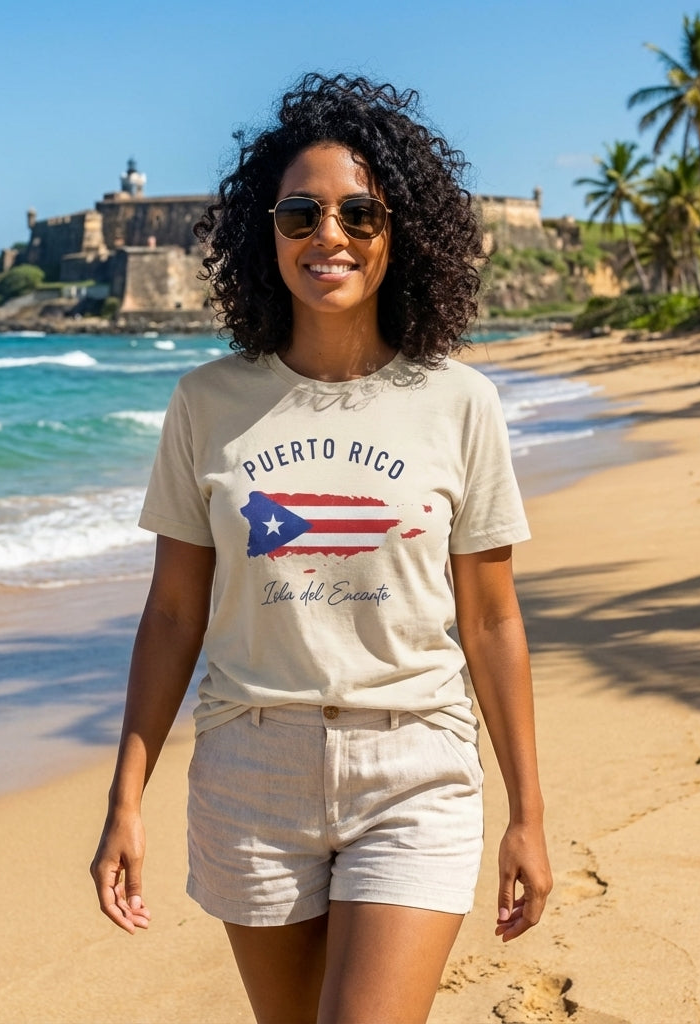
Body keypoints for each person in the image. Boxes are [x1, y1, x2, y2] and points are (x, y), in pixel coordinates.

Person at [90, 72, 552, 1024]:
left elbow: (492, 618)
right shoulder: (206, 404)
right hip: (250, 775)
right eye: (300, 213)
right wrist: (124, 802)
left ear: (401, 231)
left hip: (415, 763)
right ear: (268, 234)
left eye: (358, 213)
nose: (327, 236)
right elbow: (174, 613)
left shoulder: (459, 402)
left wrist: (529, 817)